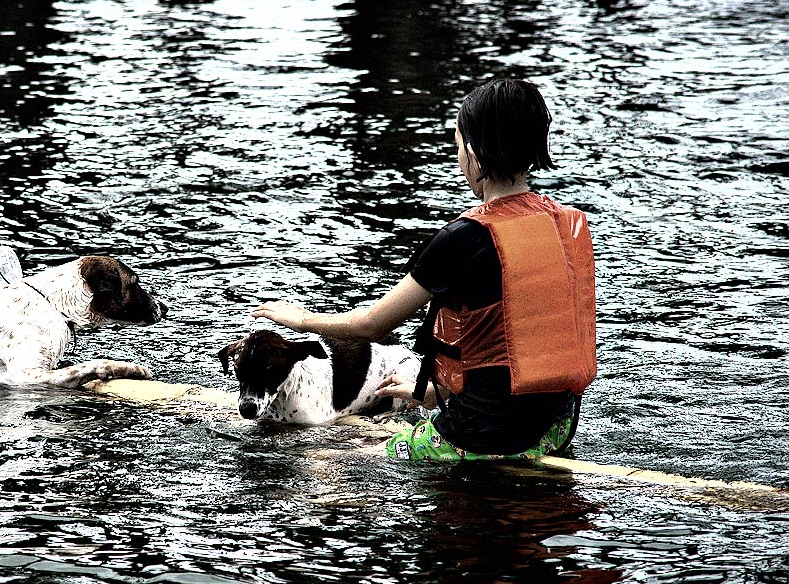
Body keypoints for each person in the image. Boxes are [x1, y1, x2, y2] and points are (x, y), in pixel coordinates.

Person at [252, 78, 596, 462]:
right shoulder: (567, 226)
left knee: (339, 453)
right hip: (554, 429)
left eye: (458, 144)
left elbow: (372, 326)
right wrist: (435, 393)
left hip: (483, 437)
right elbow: (517, 344)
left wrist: (301, 321)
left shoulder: (461, 239)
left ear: (477, 153)